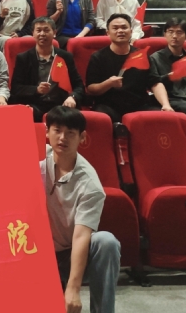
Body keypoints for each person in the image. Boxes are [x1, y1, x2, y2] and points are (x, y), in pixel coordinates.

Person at [41, 106, 120, 313]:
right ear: (47, 132)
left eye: (70, 133)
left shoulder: (90, 184)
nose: (62, 138)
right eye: (57, 130)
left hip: (70, 255)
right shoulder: (35, 163)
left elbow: (81, 236)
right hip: (36, 253)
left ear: (82, 137)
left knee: (106, 242)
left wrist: (73, 289)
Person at [86, 13, 168, 123]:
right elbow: (91, 89)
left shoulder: (141, 55)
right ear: (108, 33)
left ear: (131, 31)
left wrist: (166, 104)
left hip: (139, 106)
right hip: (109, 106)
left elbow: (155, 83)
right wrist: (108, 83)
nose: (120, 31)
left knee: (162, 117)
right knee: (101, 115)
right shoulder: (98, 57)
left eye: (124, 27)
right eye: (115, 28)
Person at [10, 17, 84, 121]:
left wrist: (72, 97)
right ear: (33, 34)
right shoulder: (23, 58)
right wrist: (36, 90)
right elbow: (16, 88)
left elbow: (79, 85)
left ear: (54, 33)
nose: (42, 34)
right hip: (35, 104)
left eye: (46, 30)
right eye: (38, 30)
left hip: (61, 104)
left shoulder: (65, 57)